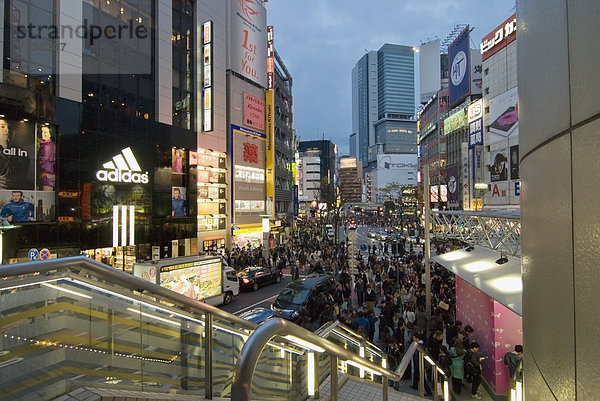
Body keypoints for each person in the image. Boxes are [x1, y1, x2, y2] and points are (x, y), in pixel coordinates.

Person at [38, 125, 56, 190]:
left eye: (45, 132)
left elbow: (43, 161)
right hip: (47, 175)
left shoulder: (47, 146)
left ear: (50, 134)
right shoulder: (50, 145)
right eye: (42, 131)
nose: (43, 134)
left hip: (46, 176)